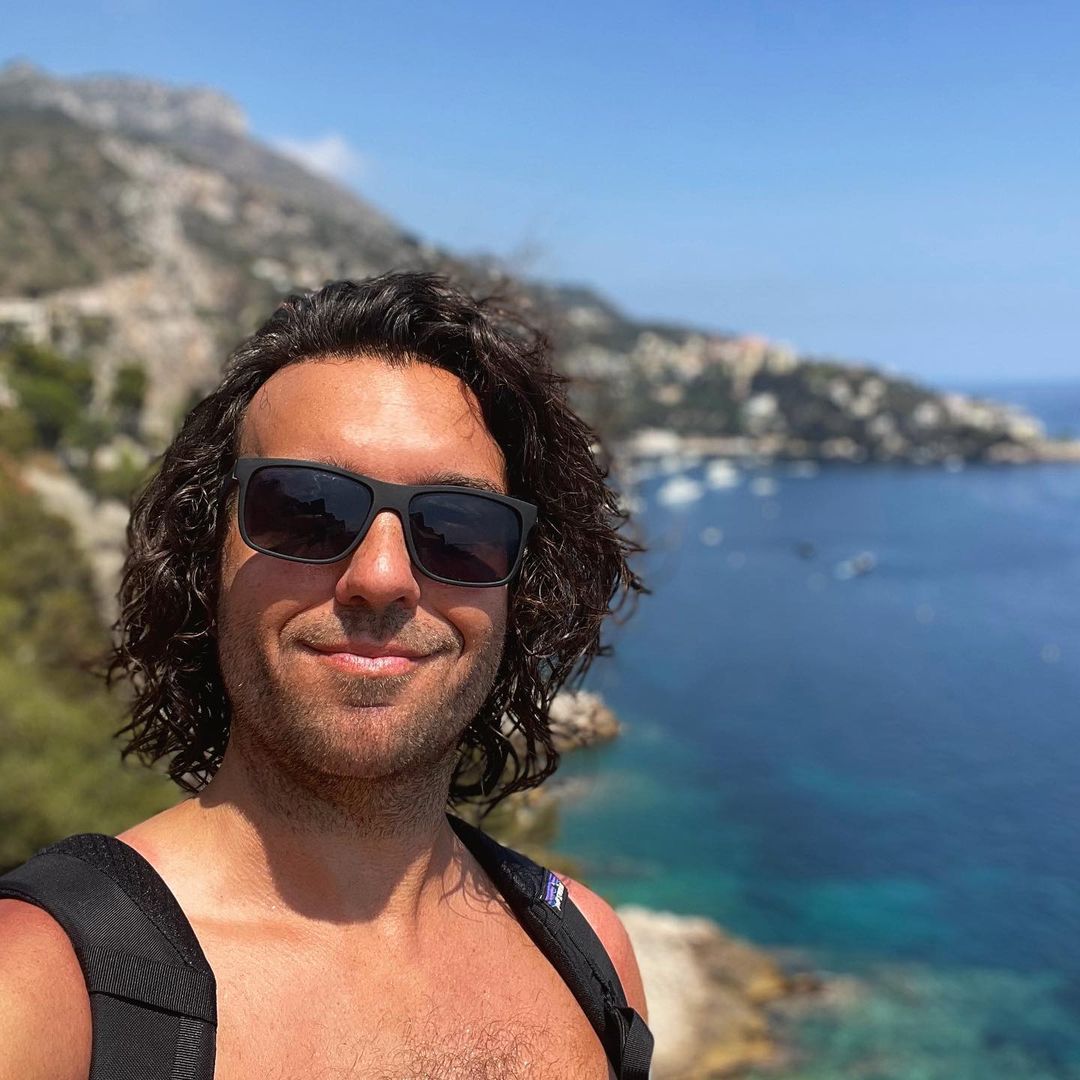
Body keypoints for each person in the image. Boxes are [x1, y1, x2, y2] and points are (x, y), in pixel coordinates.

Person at [0, 272, 651, 1079]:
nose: (381, 577)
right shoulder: (42, 989)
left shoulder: (591, 959)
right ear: (205, 560)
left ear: (520, 589)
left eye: (457, 529)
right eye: (306, 510)